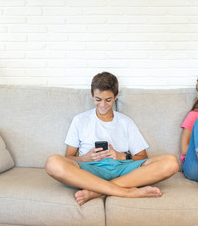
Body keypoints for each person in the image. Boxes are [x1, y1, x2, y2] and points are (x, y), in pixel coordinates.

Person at [45, 72, 179, 205]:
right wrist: (85, 158)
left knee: (171, 162)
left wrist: (122, 156)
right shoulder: (80, 120)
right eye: (98, 99)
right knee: (52, 162)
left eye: (108, 100)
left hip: (123, 170)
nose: (103, 105)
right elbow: (68, 158)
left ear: (116, 96)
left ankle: (97, 191)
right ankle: (127, 192)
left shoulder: (126, 122)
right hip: (90, 170)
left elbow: (143, 157)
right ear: (92, 95)